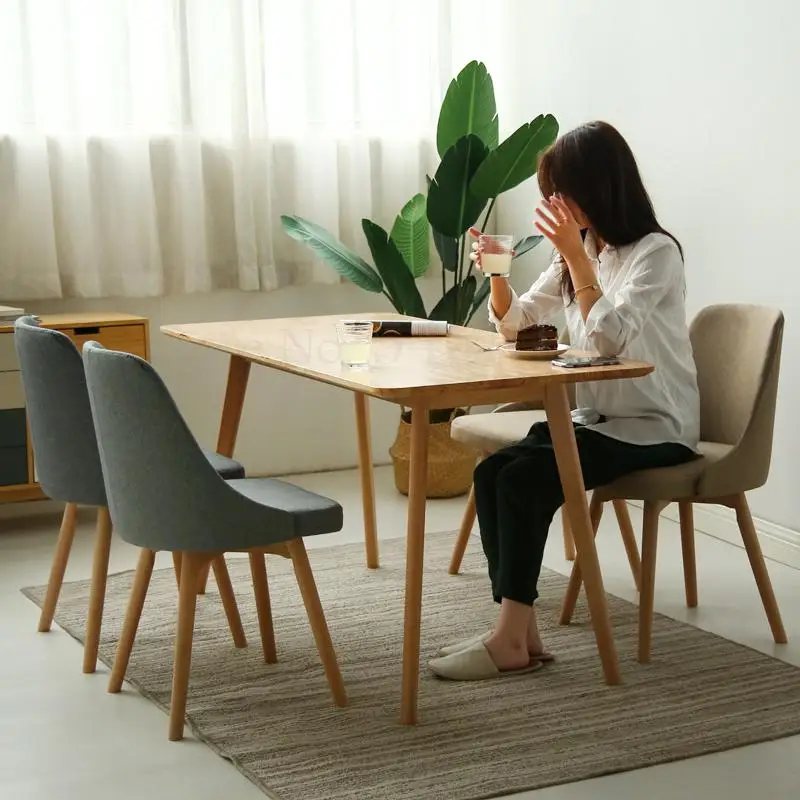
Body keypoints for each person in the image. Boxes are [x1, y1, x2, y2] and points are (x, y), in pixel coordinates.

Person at [428, 120, 700, 681]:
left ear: (599, 187)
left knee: (524, 481)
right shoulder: (584, 249)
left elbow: (608, 341)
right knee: (494, 474)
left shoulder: (656, 254)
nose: (554, 204)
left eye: (561, 191)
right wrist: (498, 274)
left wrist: (576, 258)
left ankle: (510, 639)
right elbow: (517, 323)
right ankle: (520, 633)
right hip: (596, 420)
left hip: (654, 428)